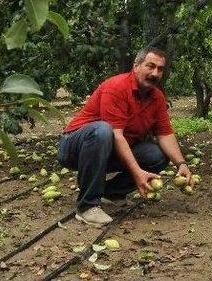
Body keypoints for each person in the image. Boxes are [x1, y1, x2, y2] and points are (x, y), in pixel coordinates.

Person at [57, 47, 193, 227]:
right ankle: (87, 206)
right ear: (136, 66)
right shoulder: (117, 87)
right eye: (150, 66)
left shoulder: (157, 98)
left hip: (108, 148)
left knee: (157, 155)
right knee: (102, 130)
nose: (155, 73)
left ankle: (110, 193)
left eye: (160, 69)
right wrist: (137, 173)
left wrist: (182, 164)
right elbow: (116, 134)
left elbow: (165, 134)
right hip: (74, 147)